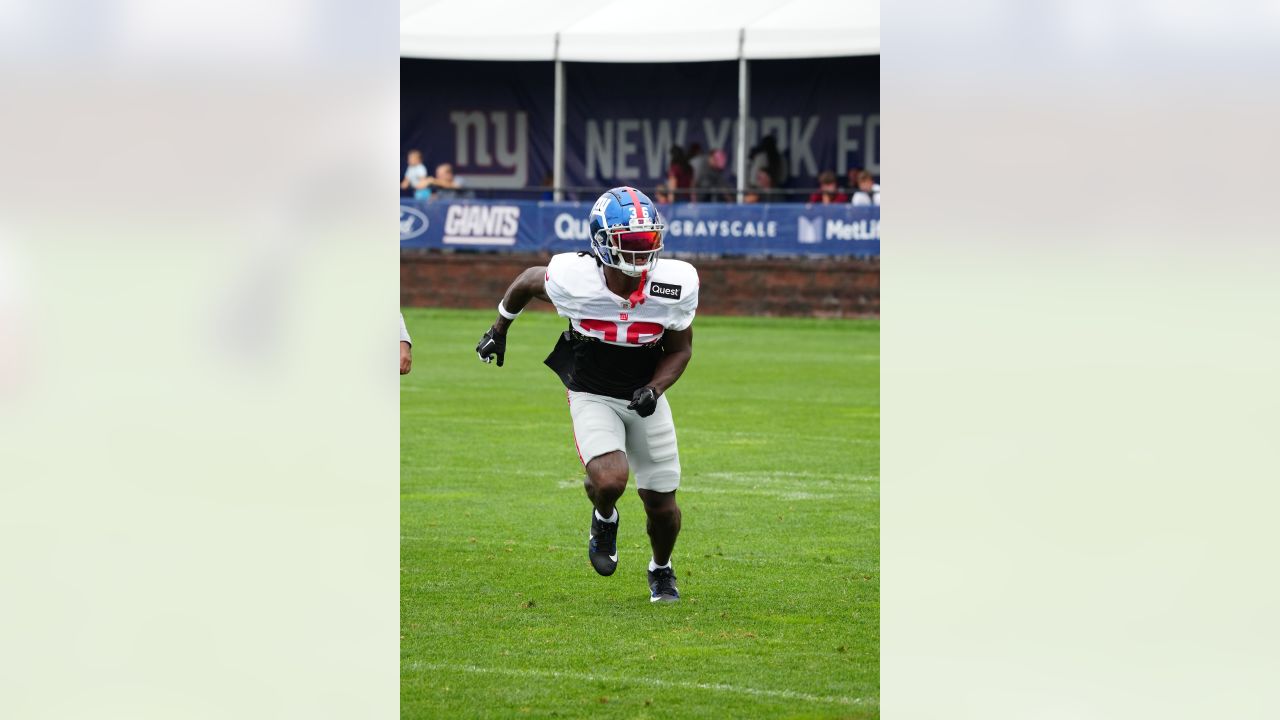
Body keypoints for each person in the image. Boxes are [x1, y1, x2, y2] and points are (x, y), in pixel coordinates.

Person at [474, 186, 699, 603]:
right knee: (610, 479)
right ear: (601, 242)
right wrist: (498, 331)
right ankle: (604, 515)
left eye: (647, 241)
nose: (640, 253)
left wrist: (655, 387)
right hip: (592, 391)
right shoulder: (574, 278)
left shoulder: (674, 283)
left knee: (661, 504)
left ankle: (661, 569)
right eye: (629, 243)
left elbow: (681, 349)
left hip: (644, 397)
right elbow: (525, 282)